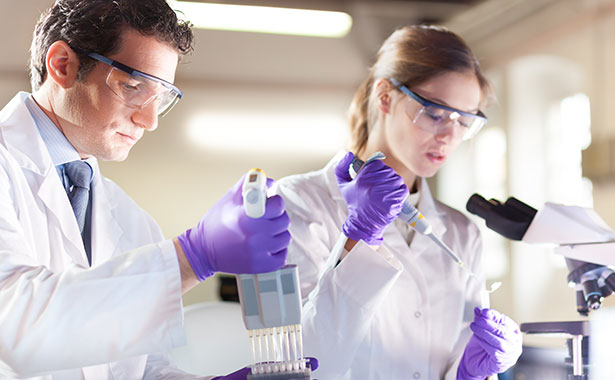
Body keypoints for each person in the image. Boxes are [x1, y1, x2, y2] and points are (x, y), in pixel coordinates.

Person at [0, 1, 293, 379]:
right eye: (134, 86)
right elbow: (15, 325)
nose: (149, 120)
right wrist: (192, 258)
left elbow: (142, 368)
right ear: (62, 65)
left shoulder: (129, 218)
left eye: (161, 97)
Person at [274, 25, 523, 379]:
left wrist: (470, 372)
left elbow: (453, 358)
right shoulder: (298, 203)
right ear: (385, 96)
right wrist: (360, 237)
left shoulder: (462, 234)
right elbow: (300, 364)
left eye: (465, 120)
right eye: (436, 112)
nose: (449, 135)